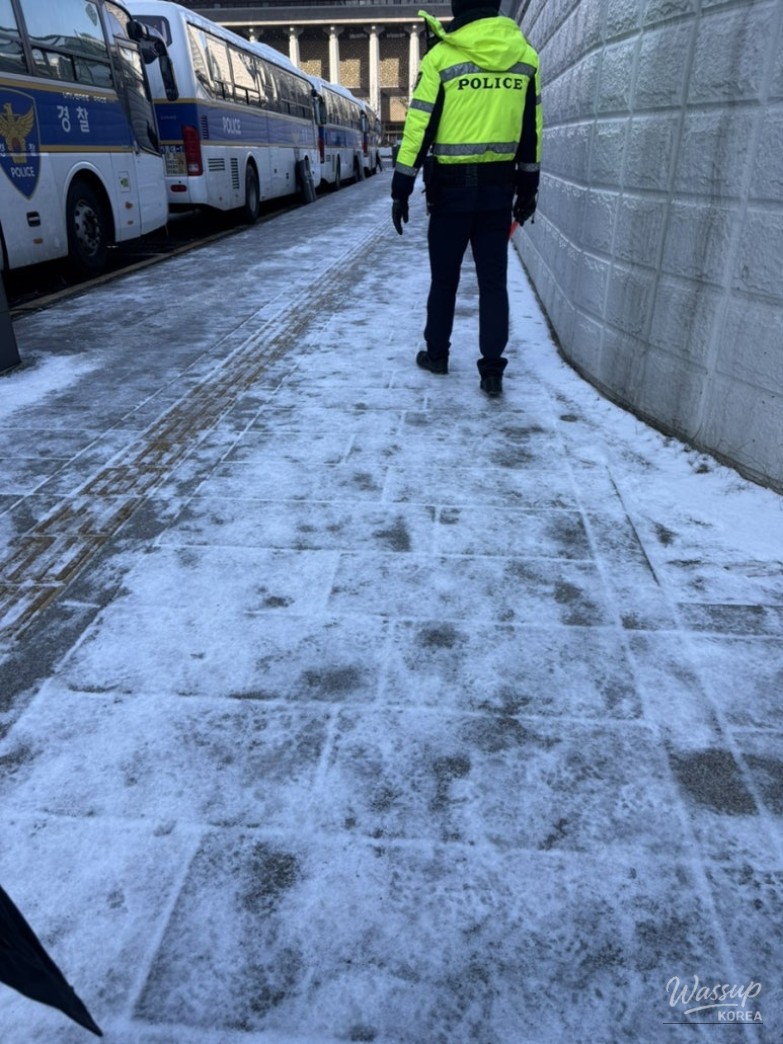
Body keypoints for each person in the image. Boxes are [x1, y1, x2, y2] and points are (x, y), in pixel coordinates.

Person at [391, 0, 542, 397]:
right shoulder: (525, 57)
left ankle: (437, 354)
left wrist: (401, 188)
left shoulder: (442, 57)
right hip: (498, 193)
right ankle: (492, 371)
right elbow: (531, 130)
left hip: (449, 194)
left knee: (444, 280)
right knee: (493, 283)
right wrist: (528, 188)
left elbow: (419, 126)